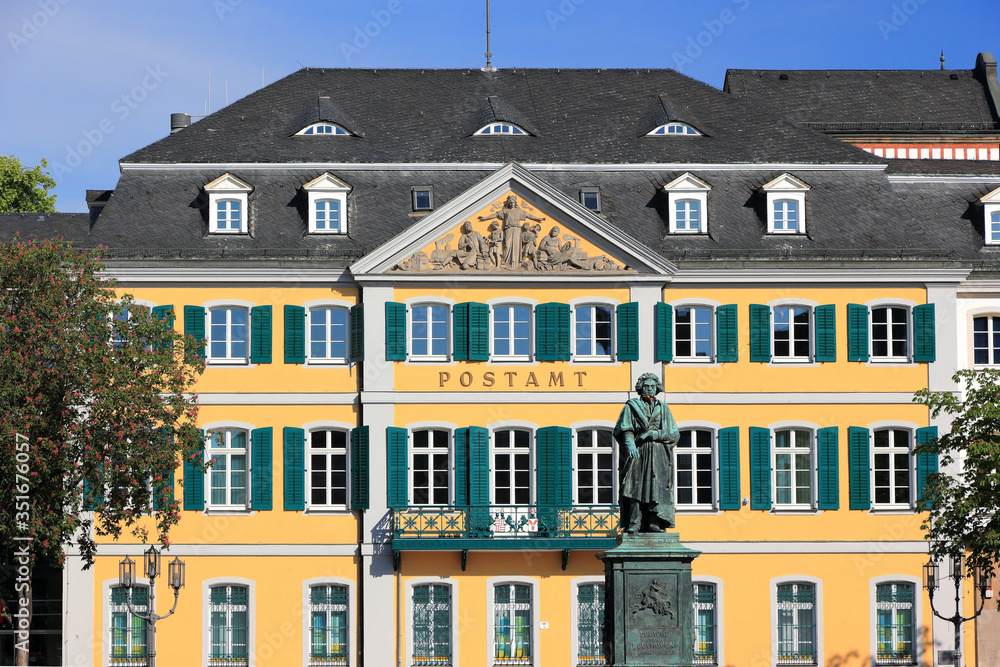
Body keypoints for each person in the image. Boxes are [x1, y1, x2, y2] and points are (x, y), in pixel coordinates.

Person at [613, 372, 679, 533]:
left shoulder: (664, 409)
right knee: (634, 487)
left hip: (659, 453)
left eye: (652, 386)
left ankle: (654, 521)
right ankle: (635, 522)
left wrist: (657, 434)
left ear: (657, 388)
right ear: (641, 387)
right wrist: (631, 446)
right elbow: (625, 429)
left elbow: (674, 433)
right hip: (639, 450)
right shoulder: (632, 406)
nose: (649, 389)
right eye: (646, 386)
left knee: (657, 487)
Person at [478, 195, 545, 268]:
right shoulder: (505, 211)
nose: (512, 204)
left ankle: (515, 263)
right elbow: (496, 214)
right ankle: (505, 262)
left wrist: (538, 219)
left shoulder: (518, 211)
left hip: (517, 229)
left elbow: (528, 215)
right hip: (508, 229)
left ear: (515, 203)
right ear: (508, 203)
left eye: (513, 202)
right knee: (507, 245)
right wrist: (485, 218)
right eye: (510, 202)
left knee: (516, 246)